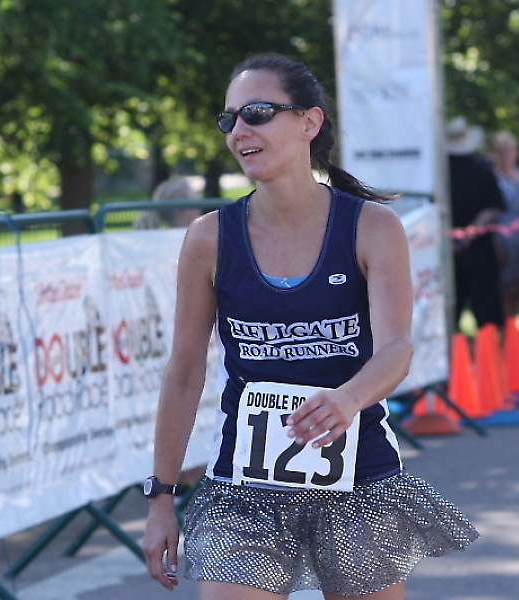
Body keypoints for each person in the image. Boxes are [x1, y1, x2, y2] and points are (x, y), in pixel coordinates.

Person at [142, 53, 478, 600]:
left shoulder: (372, 226)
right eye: (229, 119)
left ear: (309, 122)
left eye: (257, 113)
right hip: (244, 489)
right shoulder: (209, 238)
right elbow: (183, 374)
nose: (239, 130)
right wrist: (160, 498)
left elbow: (396, 348)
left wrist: (348, 399)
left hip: (359, 479)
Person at [446, 116, 506, 329]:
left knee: (450, 312)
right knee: (487, 312)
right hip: (479, 247)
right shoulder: (482, 167)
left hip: (449, 250)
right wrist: (469, 235)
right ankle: (491, 348)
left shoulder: (438, 170)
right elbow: (493, 207)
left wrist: (458, 239)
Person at [488, 131, 519, 317]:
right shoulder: (493, 176)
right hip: (504, 239)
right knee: (506, 289)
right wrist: (494, 241)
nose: (506, 154)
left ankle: (515, 325)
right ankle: (506, 327)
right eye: (501, 150)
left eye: (509, 149)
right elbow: (490, 209)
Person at [133, 176, 201, 230]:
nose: (199, 208)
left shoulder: (149, 235)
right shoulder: (193, 239)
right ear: (182, 211)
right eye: (195, 203)